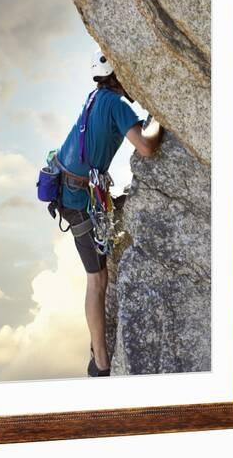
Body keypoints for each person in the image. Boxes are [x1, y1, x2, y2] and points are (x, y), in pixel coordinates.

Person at [55, 48, 163, 377]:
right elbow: (145, 147)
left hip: (70, 189)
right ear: (117, 75)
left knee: (98, 277)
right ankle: (101, 362)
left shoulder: (95, 97)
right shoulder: (116, 104)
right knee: (98, 280)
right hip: (77, 199)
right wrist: (160, 118)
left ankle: (97, 353)